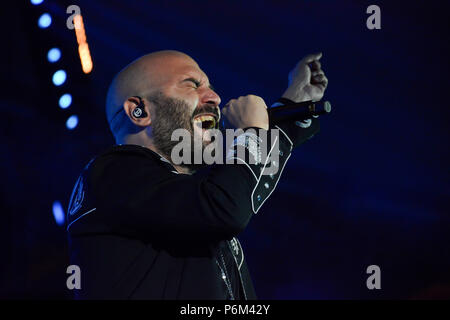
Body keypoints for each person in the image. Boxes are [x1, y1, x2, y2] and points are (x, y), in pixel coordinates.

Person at [66, 50, 328, 299]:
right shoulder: (110, 173)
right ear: (140, 111)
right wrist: (251, 133)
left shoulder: (177, 199)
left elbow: (236, 189)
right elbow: (224, 207)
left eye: (209, 86)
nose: (214, 97)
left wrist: (292, 104)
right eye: (192, 85)